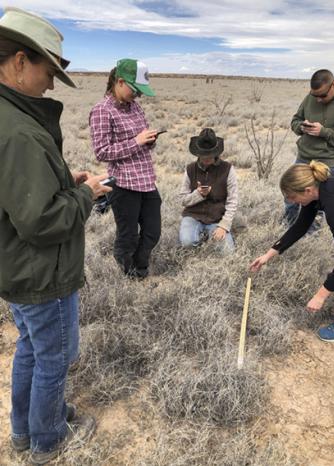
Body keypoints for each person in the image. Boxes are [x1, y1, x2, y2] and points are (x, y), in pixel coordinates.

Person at [0, 7, 112, 465]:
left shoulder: (9, 118)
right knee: (54, 358)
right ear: (20, 62)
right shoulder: (21, 131)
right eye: (49, 70)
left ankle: (24, 431)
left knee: (30, 347)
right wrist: (84, 194)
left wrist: (64, 179)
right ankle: (47, 440)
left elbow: (19, 193)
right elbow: (42, 222)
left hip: (15, 267)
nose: (51, 83)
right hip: (41, 272)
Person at [250, 161, 334, 342]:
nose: (291, 202)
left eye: (292, 197)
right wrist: (269, 254)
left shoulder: (333, 203)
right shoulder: (317, 190)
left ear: (307, 190)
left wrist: (320, 296)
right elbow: (300, 226)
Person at [89, 58, 161, 279]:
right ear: (120, 82)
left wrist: (149, 140)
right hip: (123, 183)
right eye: (135, 89)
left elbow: (140, 139)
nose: (137, 95)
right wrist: (137, 142)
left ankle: (139, 266)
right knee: (128, 235)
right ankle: (129, 273)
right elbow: (102, 152)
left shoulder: (135, 107)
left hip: (146, 179)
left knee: (152, 232)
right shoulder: (102, 111)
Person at [284, 69, 334, 226]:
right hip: (302, 157)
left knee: (318, 204)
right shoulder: (310, 98)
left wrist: (323, 132)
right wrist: (302, 128)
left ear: (333, 85)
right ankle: (287, 226)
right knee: (291, 196)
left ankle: (311, 237)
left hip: (325, 162)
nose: (318, 99)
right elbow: (295, 121)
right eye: (314, 95)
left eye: (322, 96)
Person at [179, 128, 238, 252]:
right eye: (203, 155)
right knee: (187, 242)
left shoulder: (227, 169)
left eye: (209, 155)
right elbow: (183, 200)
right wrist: (198, 194)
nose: (206, 159)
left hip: (217, 218)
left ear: (216, 153)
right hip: (193, 216)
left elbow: (233, 201)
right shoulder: (190, 169)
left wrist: (224, 226)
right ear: (197, 153)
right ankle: (199, 238)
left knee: (228, 251)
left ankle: (208, 235)